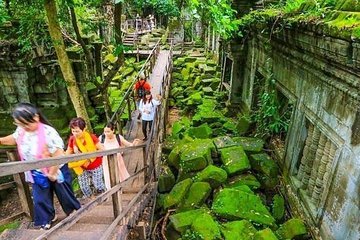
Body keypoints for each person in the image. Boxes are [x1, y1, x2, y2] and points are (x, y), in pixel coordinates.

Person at [0, 103, 80, 230]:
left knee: (64, 193)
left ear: (36, 117)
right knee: (40, 198)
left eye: (26, 123)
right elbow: (14, 138)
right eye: (19, 124)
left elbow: (58, 155)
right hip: (37, 172)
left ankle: (73, 212)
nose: (23, 127)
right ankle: (46, 218)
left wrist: (52, 173)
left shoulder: (48, 132)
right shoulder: (21, 130)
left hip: (56, 168)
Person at [65, 117, 106, 199]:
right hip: (81, 166)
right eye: (73, 131)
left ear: (84, 129)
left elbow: (102, 149)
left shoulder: (91, 137)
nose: (75, 133)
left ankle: (105, 196)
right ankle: (91, 198)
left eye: (77, 131)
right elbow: (68, 152)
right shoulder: (72, 139)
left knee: (98, 184)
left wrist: (92, 155)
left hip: (95, 165)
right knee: (83, 186)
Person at [100, 122, 141, 190]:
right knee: (108, 177)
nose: (106, 133)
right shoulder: (101, 138)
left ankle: (119, 190)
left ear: (113, 130)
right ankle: (111, 192)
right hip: (106, 162)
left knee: (119, 176)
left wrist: (134, 143)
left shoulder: (118, 137)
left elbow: (129, 145)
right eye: (105, 131)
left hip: (118, 160)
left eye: (108, 131)